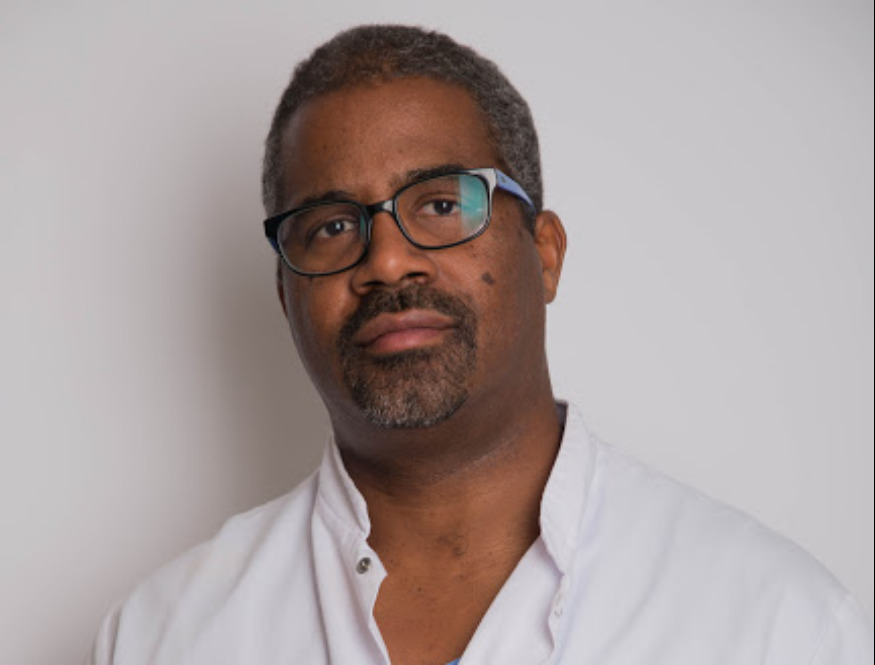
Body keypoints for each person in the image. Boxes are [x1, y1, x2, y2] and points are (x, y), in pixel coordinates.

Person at [89, 24, 873, 665]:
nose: (386, 260)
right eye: (330, 226)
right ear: (284, 293)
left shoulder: (775, 625)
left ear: (545, 252)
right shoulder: (166, 635)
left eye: (439, 204)